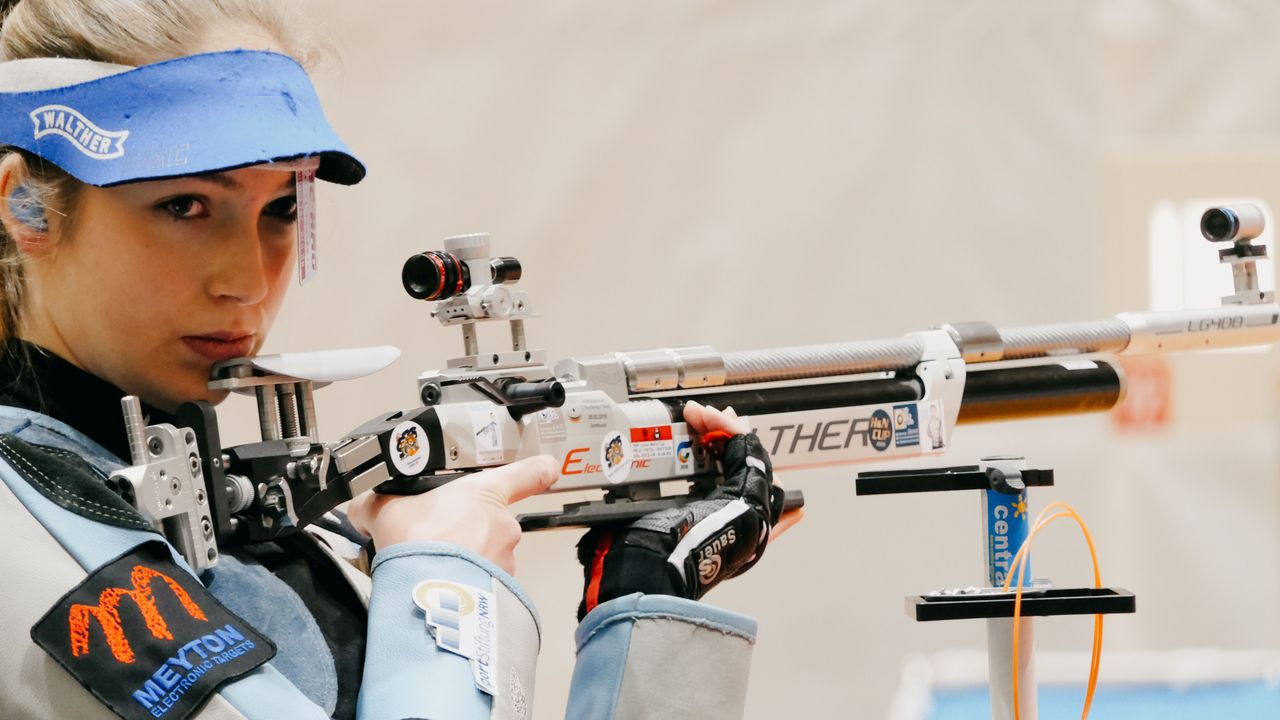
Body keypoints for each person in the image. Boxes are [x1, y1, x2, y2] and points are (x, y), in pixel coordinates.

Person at [0, 1, 792, 719]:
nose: (247, 281)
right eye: (185, 206)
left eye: (281, 209)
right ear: (23, 205)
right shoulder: (20, 521)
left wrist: (644, 603)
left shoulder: (275, 532)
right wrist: (445, 582)